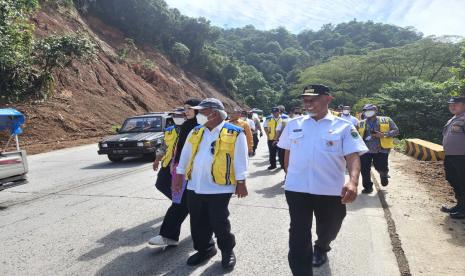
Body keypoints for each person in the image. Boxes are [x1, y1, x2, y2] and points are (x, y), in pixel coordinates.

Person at [278, 84, 368, 276]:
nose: (308, 103)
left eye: (313, 99)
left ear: (328, 99)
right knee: (298, 233)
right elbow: (287, 153)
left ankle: (322, 246)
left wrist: (352, 182)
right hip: (297, 190)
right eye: (305, 99)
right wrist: (289, 175)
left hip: (329, 190)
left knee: (330, 226)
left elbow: (353, 156)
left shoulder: (343, 126)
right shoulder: (294, 124)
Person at [174, 98, 249, 270]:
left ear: (214, 113)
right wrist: (179, 176)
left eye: (202, 112)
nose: (198, 115)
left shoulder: (235, 132)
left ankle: (227, 251)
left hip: (219, 187)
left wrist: (241, 181)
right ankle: (205, 249)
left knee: (219, 222)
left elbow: (240, 159)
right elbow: (185, 154)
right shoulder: (195, 131)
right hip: (195, 185)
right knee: (198, 222)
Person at [149, 99, 201, 246]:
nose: (185, 112)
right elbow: (179, 150)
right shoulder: (185, 126)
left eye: (189, 108)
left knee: (188, 204)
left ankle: (205, 238)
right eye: (184, 109)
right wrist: (176, 165)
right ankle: (168, 236)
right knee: (181, 202)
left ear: (198, 109)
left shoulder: (203, 127)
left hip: (197, 172)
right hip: (180, 169)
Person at [357, 104, 399, 193]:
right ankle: (367, 187)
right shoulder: (360, 123)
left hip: (381, 149)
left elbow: (396, 131)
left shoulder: (386, 120)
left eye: (370, 110)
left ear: (375, 110)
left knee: (381, 167)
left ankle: (383, 174)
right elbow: (356, 135)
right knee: (364, 169)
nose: (368, 112)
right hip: (365, 150)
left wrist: (384, 134)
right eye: (366, 110)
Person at [440, 96, 465, 219]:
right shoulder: (453, 119)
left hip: (462, 157)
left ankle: (463, 209)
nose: (452, 106)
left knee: (463, 181)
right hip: (451, 156)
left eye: (456, 104)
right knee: (452, 178)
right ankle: (460, 205)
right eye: (450, 104)